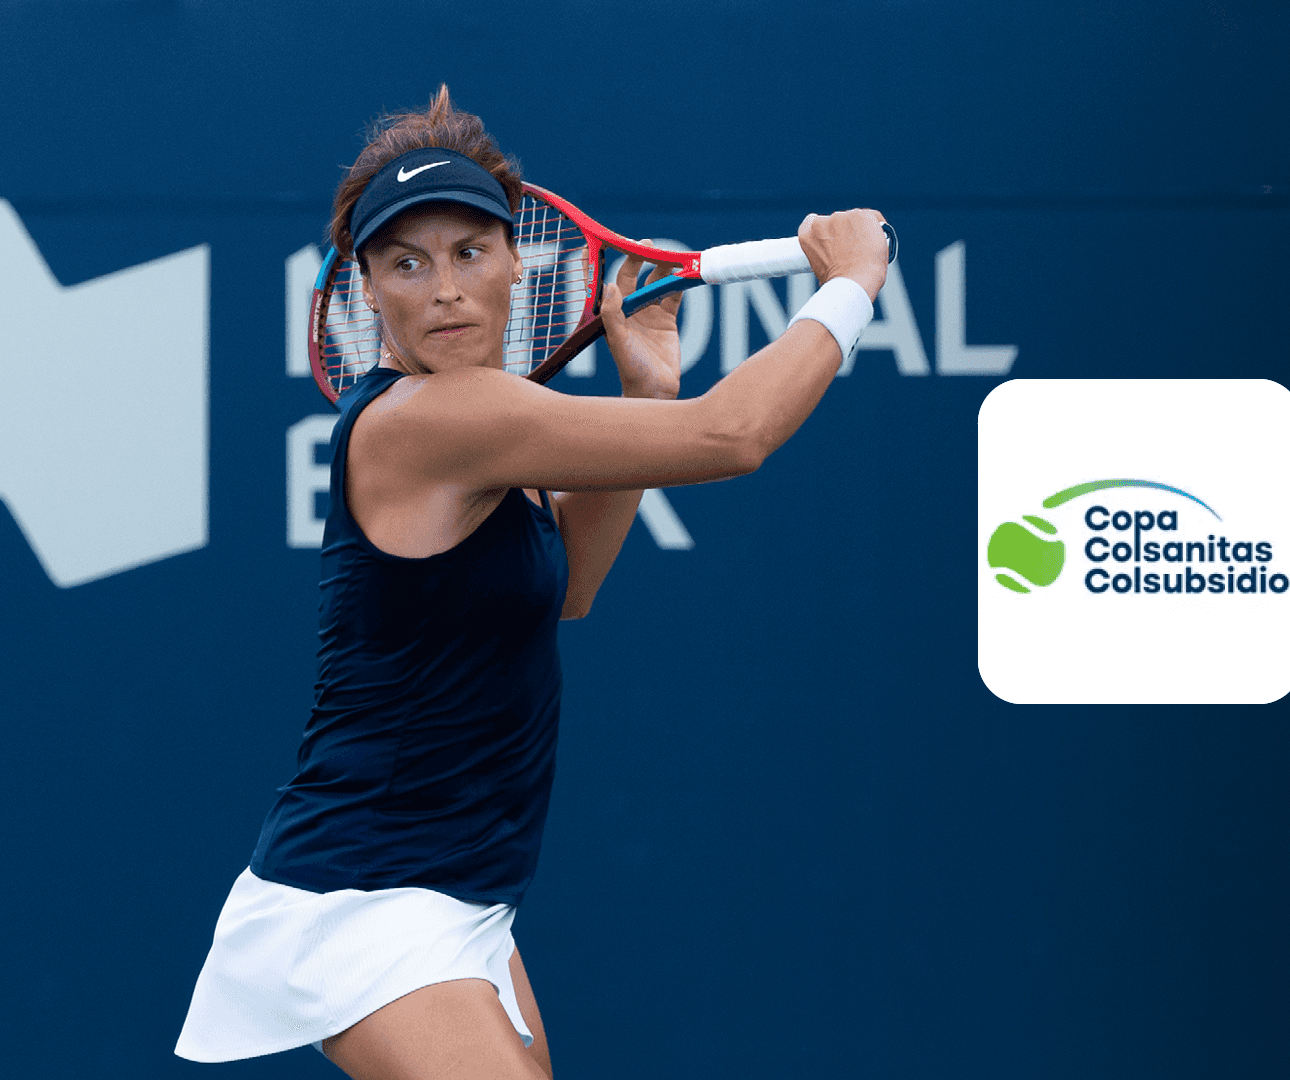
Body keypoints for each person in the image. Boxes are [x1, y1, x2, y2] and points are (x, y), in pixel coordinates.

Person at [176, 87, 890, 1080]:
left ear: (517, 262)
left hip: (461, 893)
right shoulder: (436, 419)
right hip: (364, 899)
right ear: (366, 290)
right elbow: (733, 435)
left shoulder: (486, 425)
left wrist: (648, 389)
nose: (445, 290)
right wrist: (851, 283)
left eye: (470, 252)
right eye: (407, 263)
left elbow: (572, 587)